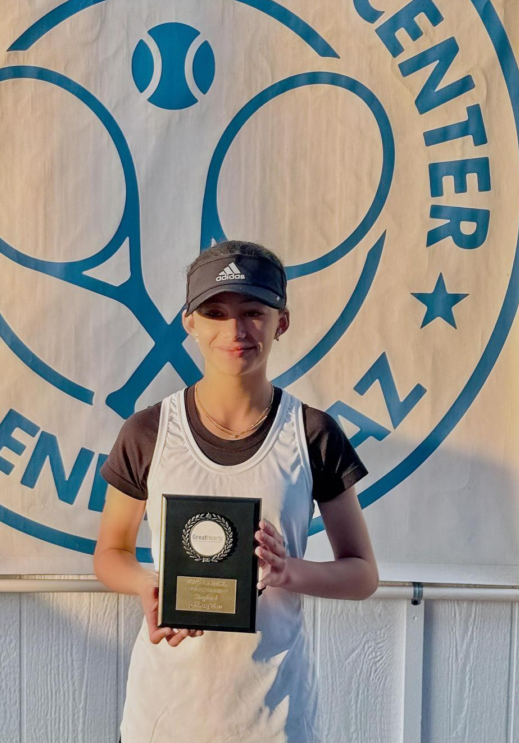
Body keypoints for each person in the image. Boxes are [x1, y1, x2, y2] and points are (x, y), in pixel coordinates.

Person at [94, 240, 379, 743]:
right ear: (190, 322)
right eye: (215, 312)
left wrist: (288, 570)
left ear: (280, 322)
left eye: (253, 311)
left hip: (274, 719)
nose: (236, 330)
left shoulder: (312, 433)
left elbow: (362, 574)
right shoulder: (147, 432)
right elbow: (110, 552)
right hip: (162, 717)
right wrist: (148, 586)